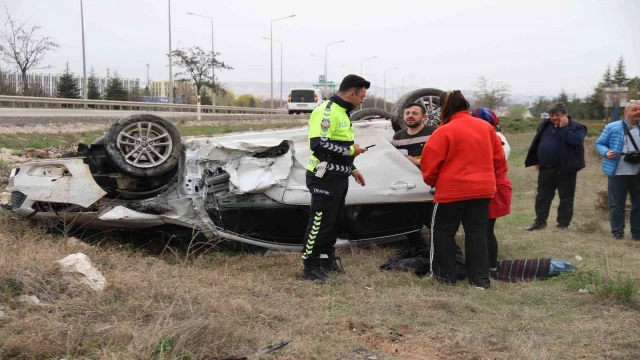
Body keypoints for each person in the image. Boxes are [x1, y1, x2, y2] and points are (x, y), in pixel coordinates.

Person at [420, 90, 506, 289]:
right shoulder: (486, 127)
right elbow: (498, 158)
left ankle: (445, 277)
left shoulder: (444, 130)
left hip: (452, 191)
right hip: (483, 189)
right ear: (466, 105)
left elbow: (430, 163)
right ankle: (480, 281)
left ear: (444, 108)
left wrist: (434, 181)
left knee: (442, 232)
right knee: (477, 234)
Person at [300, 74, 370, 283]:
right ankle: (310, 267)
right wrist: (351, 151)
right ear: (352, 93)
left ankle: (325, 260)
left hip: (339, 176)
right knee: (319, 222)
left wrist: (353, 168)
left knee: (334, 221)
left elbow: (339, 146)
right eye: (362, 96)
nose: (363, 100)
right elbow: (319, 146)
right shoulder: (326, 112)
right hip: (323, 177)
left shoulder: (343, 112)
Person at [523, 103, 587, 231]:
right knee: (542, 197)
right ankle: (539, 222)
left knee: (566, 198)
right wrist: (536, 159)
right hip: (546, 168)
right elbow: (537, 142)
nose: (554, 118)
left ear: (565, 114)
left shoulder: (577, 127)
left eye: (557, 115)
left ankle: (563, 224)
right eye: (551, 115)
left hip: (566, 169)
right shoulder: (545, 125)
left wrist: (563, 128)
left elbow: (575, 141)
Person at [391, 102, 438, 249]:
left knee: (432, 219)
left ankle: (442, 248)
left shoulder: (434, 133)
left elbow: (439, 157)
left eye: (415, 113)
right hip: (408, 185)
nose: (410, 116)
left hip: (430, 184)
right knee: (407, 218)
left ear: (424, 116)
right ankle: (419, 249)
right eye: (407, 113)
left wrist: (416, 161)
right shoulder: (398, 137)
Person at [471, 108, 512, 274]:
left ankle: (490, 266)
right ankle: (488, 265)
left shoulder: (494, 138)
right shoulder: (497, 136)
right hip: (495, 185)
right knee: (485, 228)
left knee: (485, 228)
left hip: (493, 186)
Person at [595, 101, 640, 240]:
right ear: (626, 112)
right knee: (616, 204)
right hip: (618, 172)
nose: (638, 112)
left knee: (638, 205)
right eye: (634, 109)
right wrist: (606, 152)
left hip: (638, 173)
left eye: (639, 109)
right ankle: (617, 232)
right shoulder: (612, 127)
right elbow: (600, 143)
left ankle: (637, 233)